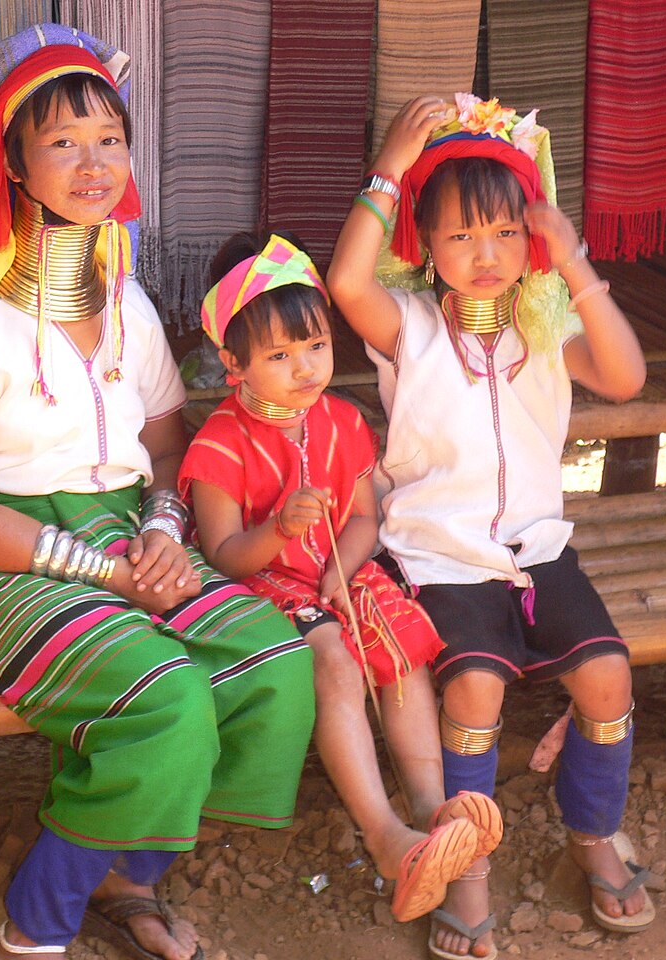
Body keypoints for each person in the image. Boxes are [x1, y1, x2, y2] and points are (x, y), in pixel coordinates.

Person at [0, 26, 315, 960]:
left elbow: (169, 452)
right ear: (12, 161)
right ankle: (33, 926)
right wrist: (113, 575)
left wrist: (165, 532)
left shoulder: (128, 306)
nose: (95, 163)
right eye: (63, 142)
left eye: (110, 139)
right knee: (168, 700)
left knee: (275, 668)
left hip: (129, 539)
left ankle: (127, 877)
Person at [327, 94, 652, 960]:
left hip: (537, 551)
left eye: (507, 234)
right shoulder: (413, 330)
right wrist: (390, 172)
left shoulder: (547, 332)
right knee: (474, 691)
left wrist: (574, 261)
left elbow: (625, 377)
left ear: (532, 241)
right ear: (424, 247)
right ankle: (467, 867)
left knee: (609, 677)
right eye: (461, 236)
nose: (485, 255)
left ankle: (592, 832)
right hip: (441, 556)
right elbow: (347, 284)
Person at [178, 231, 502, 923]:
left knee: (398, 652)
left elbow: (363, 516)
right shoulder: (218, 444)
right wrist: (282, 532)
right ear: (232, 363)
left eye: (316, 345)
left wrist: (339, 569)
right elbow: (224, 555)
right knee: (334, 662)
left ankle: (429, 811)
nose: (305, 368)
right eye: (279, 355)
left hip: (334, 573)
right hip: (258, 586)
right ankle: (386, 838)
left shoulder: (342, 421)